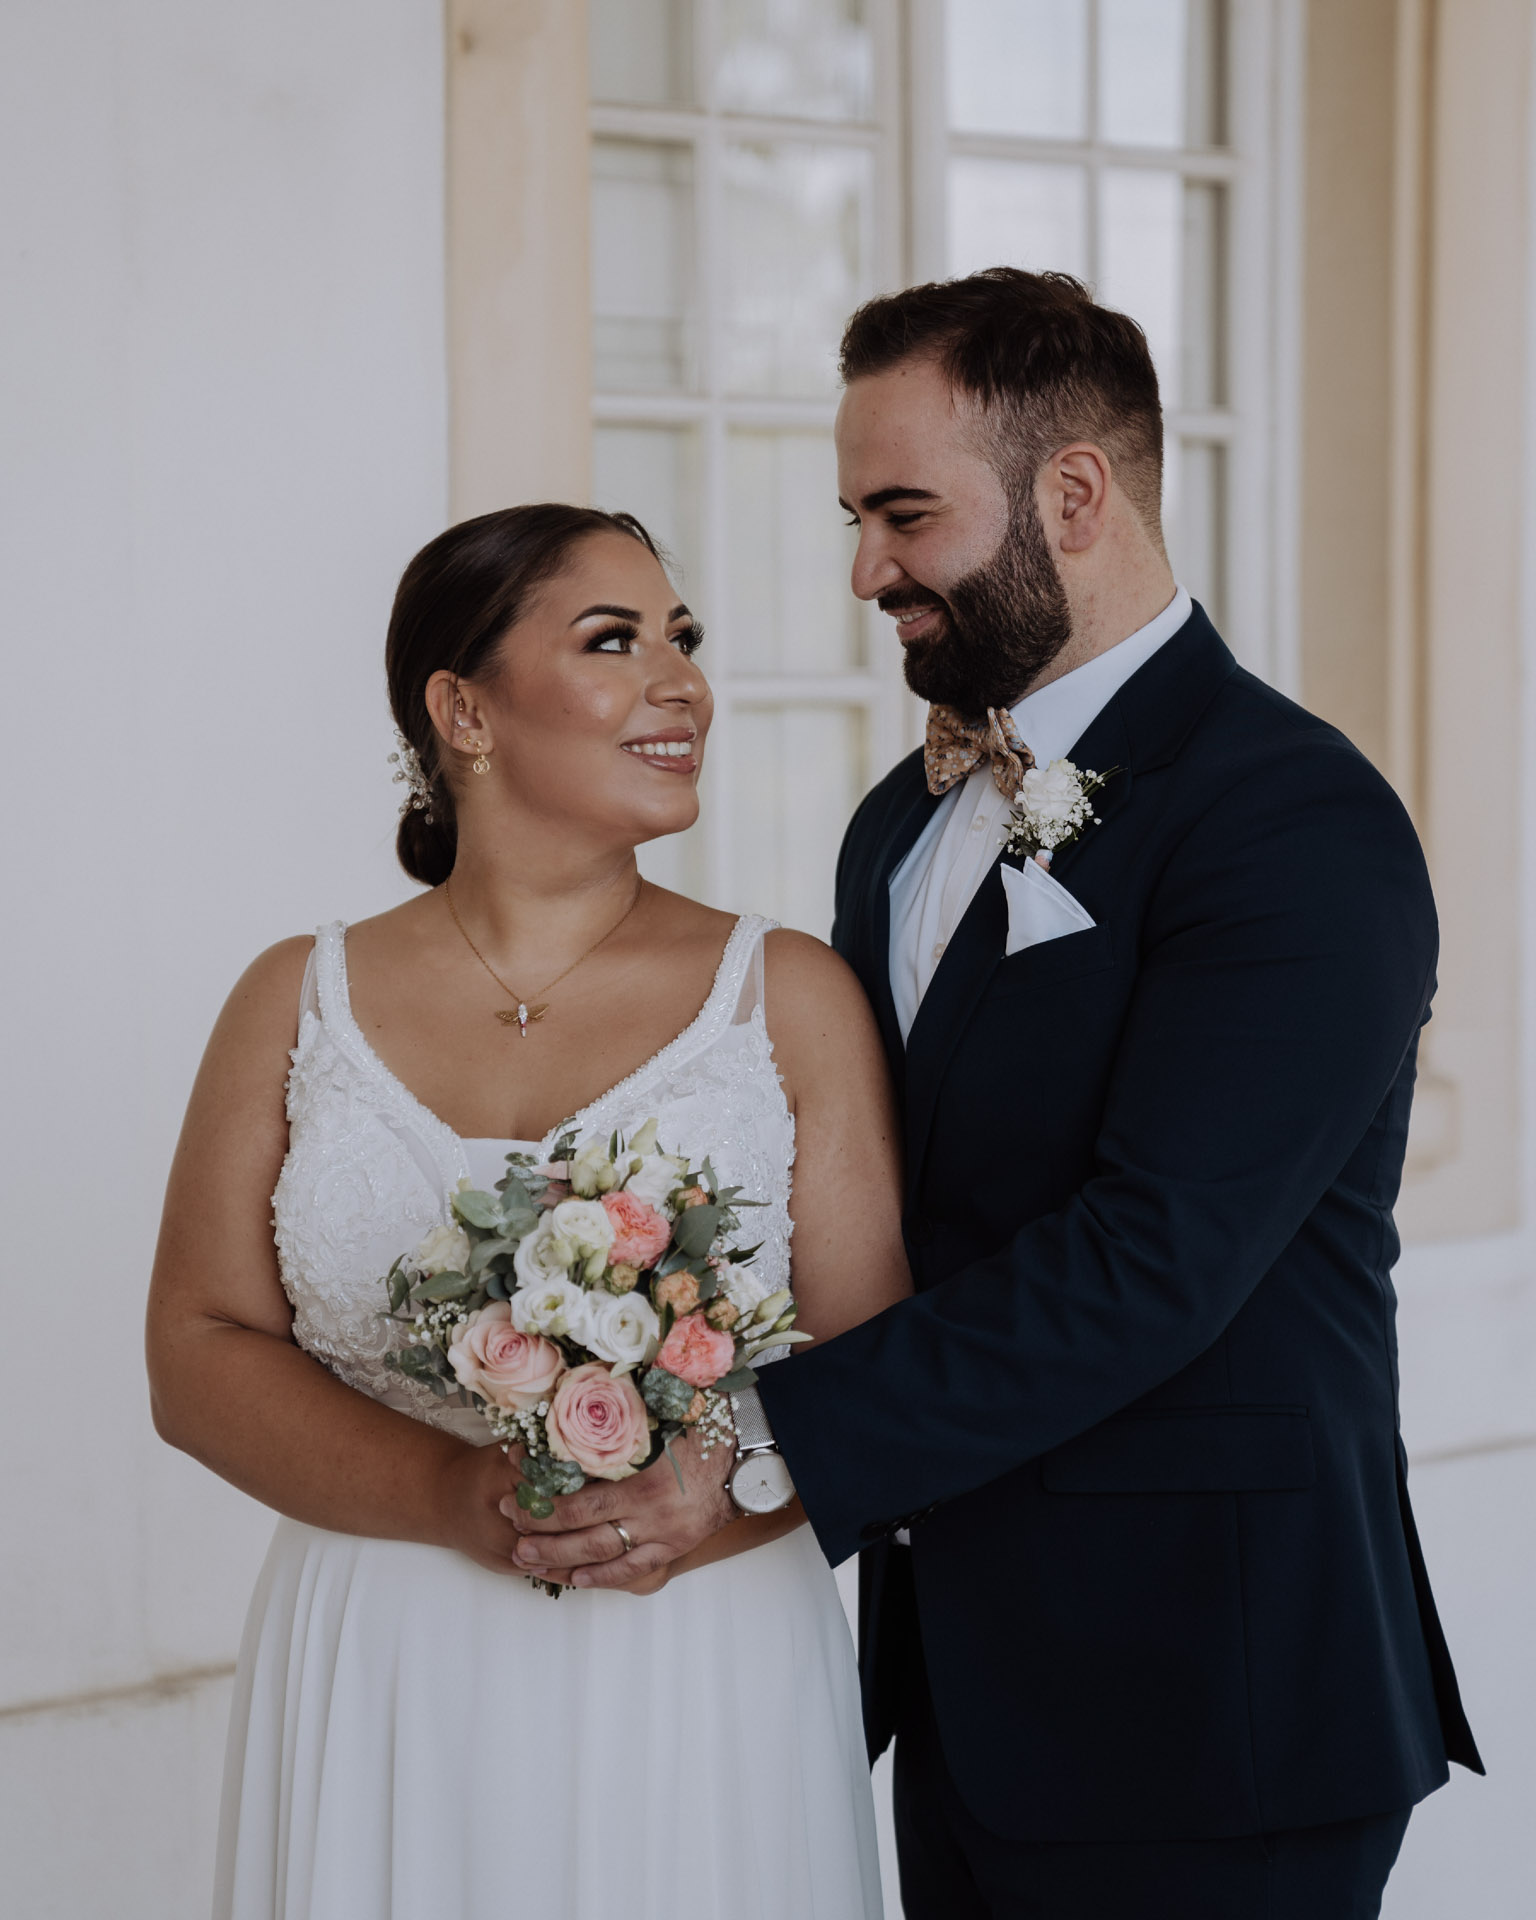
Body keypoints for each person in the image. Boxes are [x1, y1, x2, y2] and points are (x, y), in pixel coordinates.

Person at [511, 271, 1484, 1920]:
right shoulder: (901, 818)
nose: (863, 572)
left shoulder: (1298, 821)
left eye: (903, 516)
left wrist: (754, 1453)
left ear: (1076, 493)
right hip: (960, 1688)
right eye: (852, 518)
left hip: (1211, 1701)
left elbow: (1154, 1255)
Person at [145, 503, 910, 1920]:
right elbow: (197, 1352)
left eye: (684, 638)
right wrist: (451, 1494)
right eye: (613, 640)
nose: (681, 680)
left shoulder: (787, 995)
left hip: (696, 1649)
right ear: (463, 711)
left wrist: (684, 1504)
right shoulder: (292, 999)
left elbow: (876, 1371)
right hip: (385, 1649)